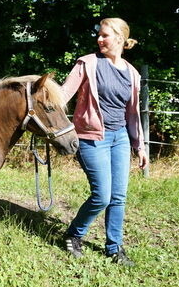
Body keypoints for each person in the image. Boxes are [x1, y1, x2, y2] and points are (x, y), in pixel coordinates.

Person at [61, 17, 148, 266]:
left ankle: (114, 247)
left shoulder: (131, 73)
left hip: (120, 137)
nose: (99, 39)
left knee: (118, 197)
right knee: (102, 196)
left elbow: (132, 113)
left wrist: (139, 146)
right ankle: (74, 234)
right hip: (91, 137)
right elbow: (63, 94)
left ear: (120, 39)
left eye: (105, 35)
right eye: (99, 35)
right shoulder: (87, 64)